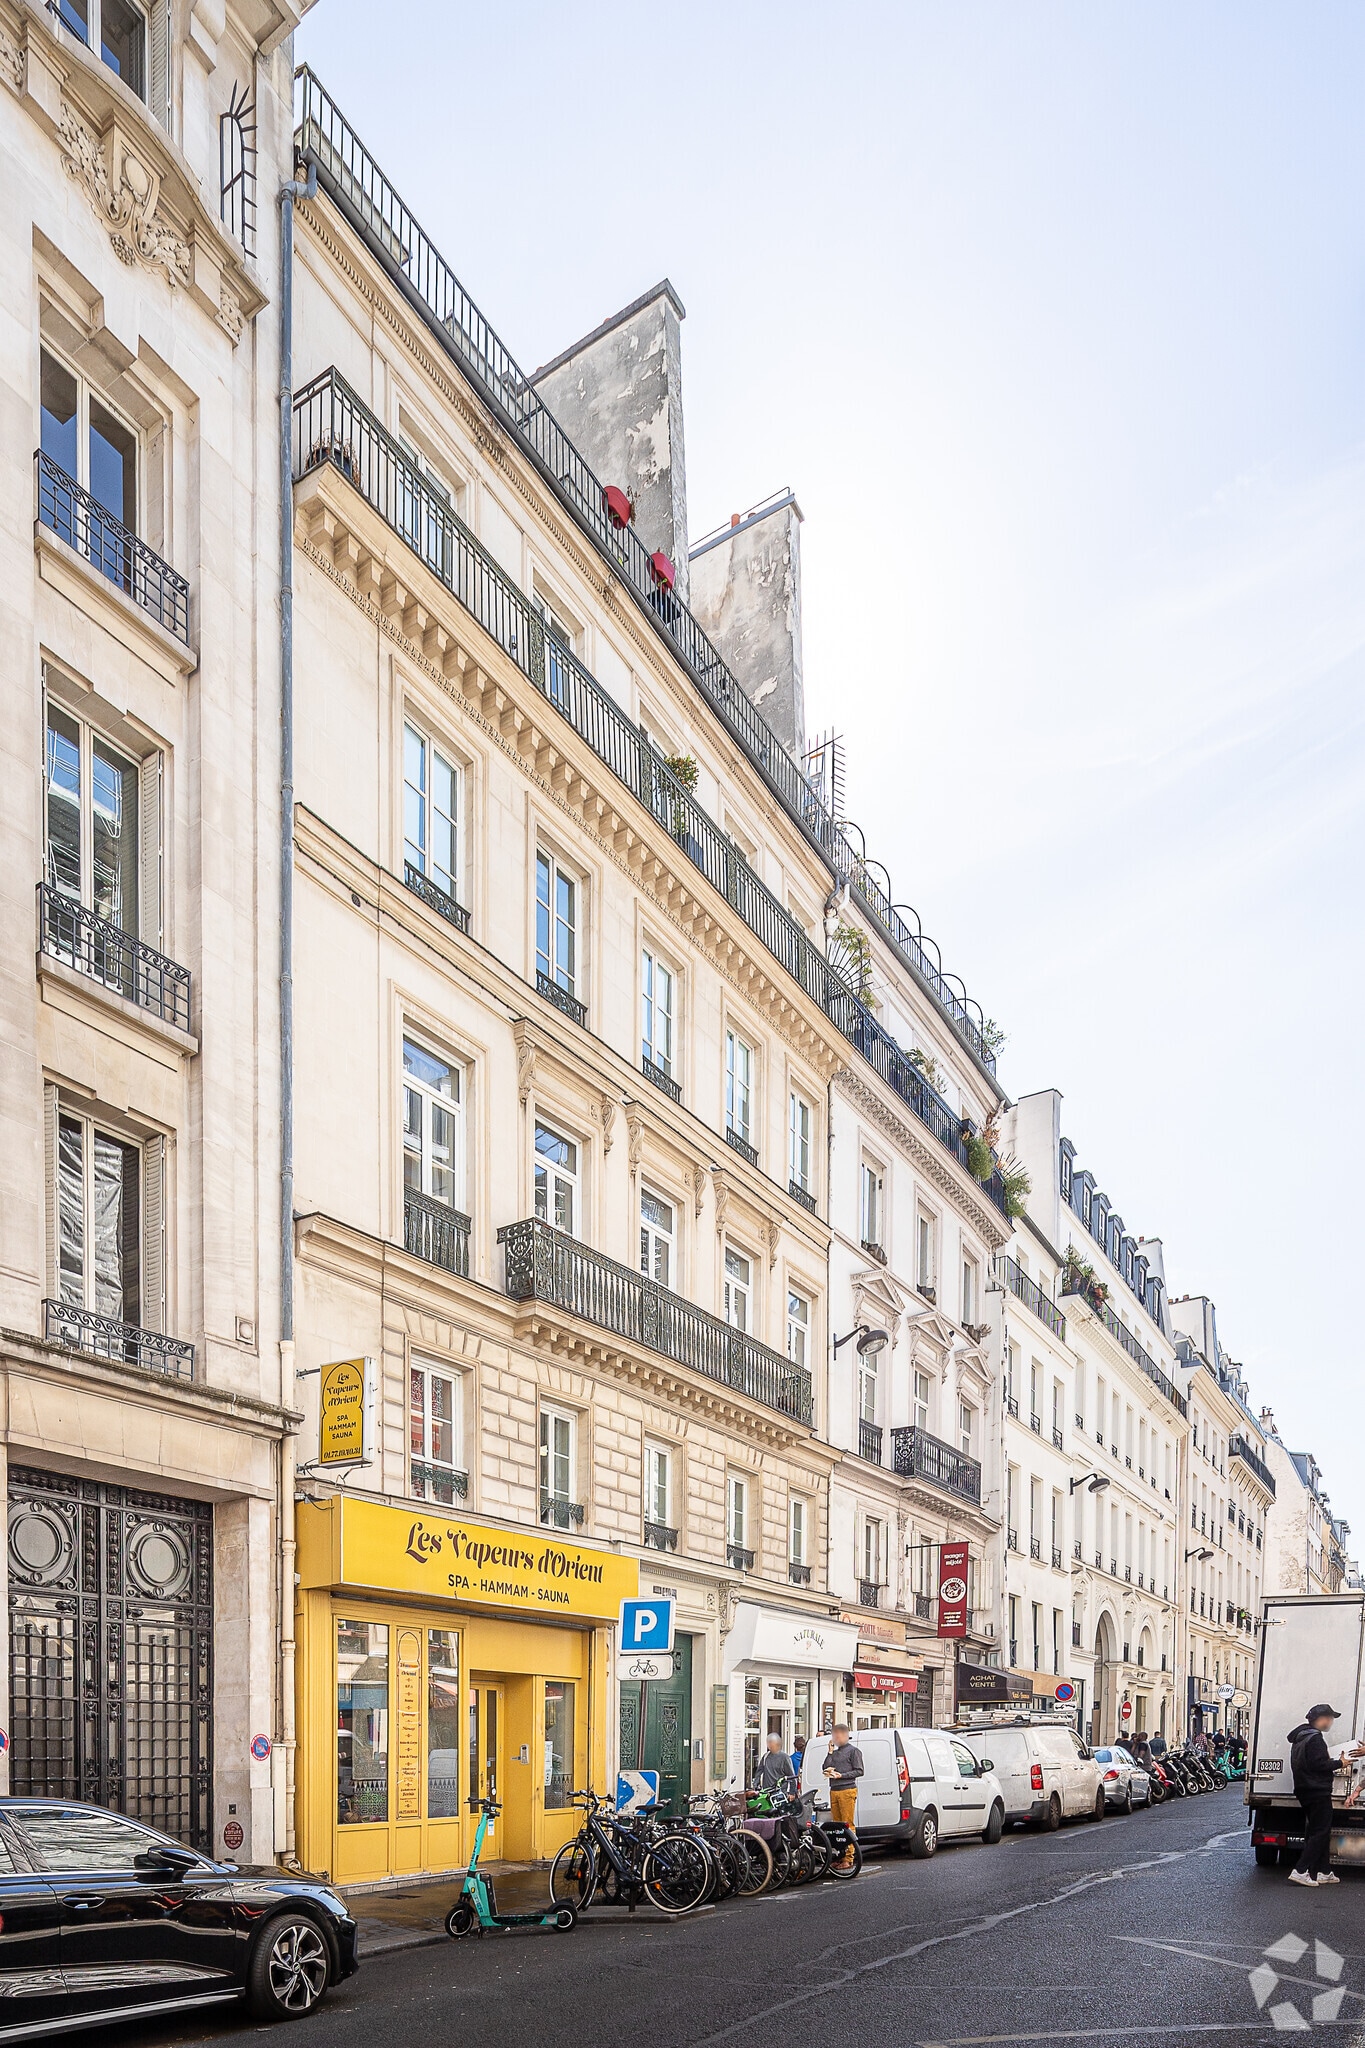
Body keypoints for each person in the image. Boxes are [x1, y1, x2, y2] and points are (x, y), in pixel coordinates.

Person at [1287, 1704, 1364, 1887]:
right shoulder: (1315, 1738)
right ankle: (1301, 1870)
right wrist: (1340, 1762)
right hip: (1317, 1790)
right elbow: (1319, 1765)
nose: (1330, 1722)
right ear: (1320, 1718)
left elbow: (1311, 1763)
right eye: (1329, 1718)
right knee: (1320, 1832)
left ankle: (1323, 1871)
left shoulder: (1301, 1738)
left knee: (1319, 1831)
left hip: (1305, 1789)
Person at [823, 1724, 864, 1869]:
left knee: (847, 1824)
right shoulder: (834, 1752)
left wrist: (842, 1775)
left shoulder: (854, 1751)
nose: (836, 1738)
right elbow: (825, 1767)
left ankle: (849, 1857)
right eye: (834, 1735)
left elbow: (859, 1771)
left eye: (839, 1735)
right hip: (834, 1789)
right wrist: (829, 1752)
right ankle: (840, 1855)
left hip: (847, 1790)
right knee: (837, 1825)